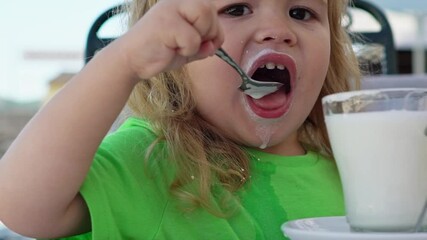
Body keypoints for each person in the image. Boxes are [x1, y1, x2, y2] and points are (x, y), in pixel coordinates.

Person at [0, 0, 360, 239]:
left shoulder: (356, 167)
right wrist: (125, 62)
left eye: (300, 12)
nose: (277, 29)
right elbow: (21, 204)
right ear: (175, 49)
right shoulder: (151, 159)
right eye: (236, 8)